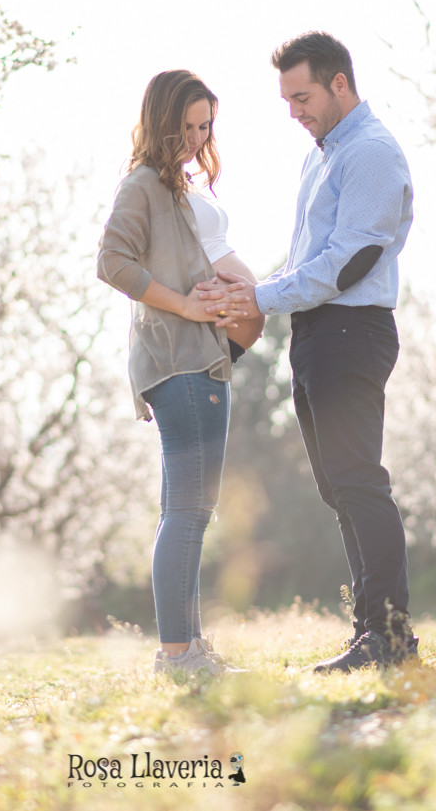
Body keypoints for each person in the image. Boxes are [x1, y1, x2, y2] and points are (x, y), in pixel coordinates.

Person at [201, 32, 417, 672]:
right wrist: (261, 299)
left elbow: (348, 262)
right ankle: (371, 635)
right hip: (318, 333)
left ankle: (391, 639)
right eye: (287, 100)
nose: (294, 111)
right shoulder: (321, 157)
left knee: (359, 482)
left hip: (352, 330)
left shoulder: (371, 153)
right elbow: (309, 262)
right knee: (338, 487)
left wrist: (260, 298)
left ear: (340, 84)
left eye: (303, 96)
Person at [97, 69, 265, 677]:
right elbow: (112, 262)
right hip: (181, 359)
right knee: (189, 512)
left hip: (204, 359)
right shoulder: (142, 183)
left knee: (188, 509)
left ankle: (188, 646)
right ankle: (177, 653)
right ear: (161, 121)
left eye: (205, 127)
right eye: (187, 126)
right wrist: (191, 306)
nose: (196, 139)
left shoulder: (173, 185)